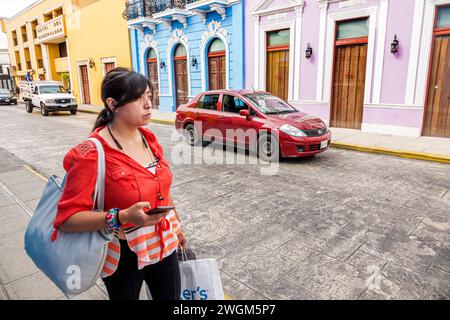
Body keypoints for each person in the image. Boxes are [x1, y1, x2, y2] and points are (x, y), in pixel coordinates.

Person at [53, 67, 187, 300]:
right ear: (113, 104)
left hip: (165, 243)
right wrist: (122, 217)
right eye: (138, 98)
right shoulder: (91, 153)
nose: (148, 104)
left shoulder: (149, 138)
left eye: (148, 96)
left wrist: (177, 226)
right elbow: (66, 219)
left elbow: (162, 188)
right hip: (124, 254)